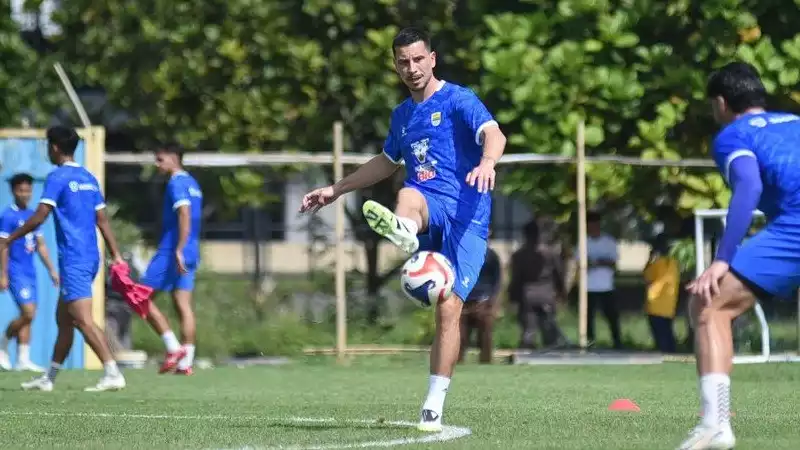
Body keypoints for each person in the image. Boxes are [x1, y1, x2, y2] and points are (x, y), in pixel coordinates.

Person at [299, 27, 506, 432]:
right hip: (427, 205)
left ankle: (433, 402)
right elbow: (386, 161)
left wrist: (487, 162)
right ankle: (406, 231)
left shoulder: (458, 99)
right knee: (409, 193)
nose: (411, 68)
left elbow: (493, 133)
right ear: (396, 65)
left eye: (417, 59)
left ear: (432, 58)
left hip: (467, 217)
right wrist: (336, 189)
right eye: (402, 62)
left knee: (449, 310)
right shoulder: (402, 116)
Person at [678, 61, 800, 450]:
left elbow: (747, 186)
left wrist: (722, 259)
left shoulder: (735, 134)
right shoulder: (795, 122)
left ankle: (715, 425)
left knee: (709, 305)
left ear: (721, 102)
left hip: (795, 223)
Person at [0, 126, 126, 392]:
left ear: (54, 147)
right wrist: (115, 254)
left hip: (74, 259)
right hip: (91, 258)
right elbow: (102, 219)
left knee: (82, 320)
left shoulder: (57, 177)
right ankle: (49, 378)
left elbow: (40, 215)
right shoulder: (89, 178)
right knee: (64, 320)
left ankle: (112, 371)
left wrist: (10, 239)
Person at [140, 144, 203, 375]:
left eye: (160, 159)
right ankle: (187, 362)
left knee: (138, 296)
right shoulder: (193, 183)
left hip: (171, 250)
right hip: (192, 250)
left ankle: (173, 348)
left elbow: (184, 212)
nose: (157, 165)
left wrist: (178, 248)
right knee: (183, 305)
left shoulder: (176, 182)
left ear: (174, 158)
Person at [0, 173, 59, 372]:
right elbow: (3, 245)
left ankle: (23, 359)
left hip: (30, 271)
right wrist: (3, 274)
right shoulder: (8, 216)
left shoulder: (33, 215)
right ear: (13, 191)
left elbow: (40, 245)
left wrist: (51, 269)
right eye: (21, 190)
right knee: (28, 313)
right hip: (15, 271)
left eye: (28, 190)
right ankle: (3, 343)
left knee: (30, 316)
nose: (25, 194)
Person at [509, 219, 567, 349]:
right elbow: (559, 274)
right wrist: (562, 293)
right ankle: (551, 355)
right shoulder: (550, 253)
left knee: (528, 330)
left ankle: (527, 353)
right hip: (546, 293)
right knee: (549, 329)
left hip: (527, 294)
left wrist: (512, 298)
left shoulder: (519, 255)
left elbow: (516, 278)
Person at [583, 211, 622, 349]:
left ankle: (617, 342)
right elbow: (579, 263)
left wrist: (599, 262)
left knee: (612, 316)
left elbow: (614, 263)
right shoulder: (583, 242)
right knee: (588, 318)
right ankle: (589, 342)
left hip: (606, 286)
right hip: (588, 287)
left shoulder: (608, 242)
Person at [458, 243, 502, 364]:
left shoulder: (491, 255)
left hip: (483, 302)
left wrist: (494, 303)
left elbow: (497, 281)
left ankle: (485, 365)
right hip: (463, 301)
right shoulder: (461, 252)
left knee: (485, 338)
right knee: (459, 338)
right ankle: (455, 365)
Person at [643, 234, 679, 354]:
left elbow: (647, 276)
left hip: (655, 303)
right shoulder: (674, 263)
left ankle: (664, 353)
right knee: (668, 331)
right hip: (669, 304)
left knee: (659, 333)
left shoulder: (656, 263)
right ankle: (671, 352)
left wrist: (649, 259)